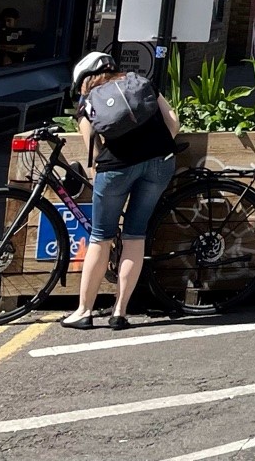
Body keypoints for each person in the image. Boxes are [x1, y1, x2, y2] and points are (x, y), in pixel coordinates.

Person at [64, 51, 179, 331]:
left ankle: (84, 311)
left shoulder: (88, 102)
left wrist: (101, 173)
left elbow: (92, 150)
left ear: (85, 79)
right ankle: (120, 312)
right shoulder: (142, 82)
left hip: (116, 168)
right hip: (160, 163)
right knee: (135, 235)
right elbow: (173, 123)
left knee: (101, 238)